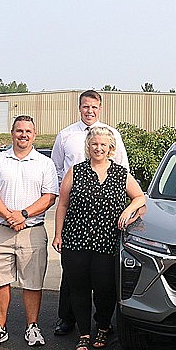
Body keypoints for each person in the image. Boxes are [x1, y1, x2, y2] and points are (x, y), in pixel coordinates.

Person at [52, 126, 145, 350]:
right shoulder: (76, 171)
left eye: (103, 144)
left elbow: (141, 198)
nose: (98, 148)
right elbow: (62, 204)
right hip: (76, 240)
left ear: (110, 148)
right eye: (94, 144)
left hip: (107, 242)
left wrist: (128, 209)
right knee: (78, 287)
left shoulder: (121, 174)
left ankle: (103, 327)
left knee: (106, 288)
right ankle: (84, 333)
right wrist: (58, 234)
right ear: (88, 146)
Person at [50, 90, 129, 336]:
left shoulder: (112, 134)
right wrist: (59, 229)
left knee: (104, 280)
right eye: (85, 106)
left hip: (105, 224)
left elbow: (123, 170)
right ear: (79, 107)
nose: (89, 111)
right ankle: (67, 320)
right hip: (77, 219)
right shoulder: (65, 135)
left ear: (100, 108)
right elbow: (56, 169)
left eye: (94, 107)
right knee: (73, 278)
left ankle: (103, 324)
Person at [0, 115, 59, 349]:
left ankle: (32, 327)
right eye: (19, 130)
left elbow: (49, 197)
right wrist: (9, 216)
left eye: (28, 131)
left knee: (32, 282)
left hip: (32, 231)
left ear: (34, 135)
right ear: (12, 133)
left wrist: (22, 215)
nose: (23, 135)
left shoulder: (45, 163)